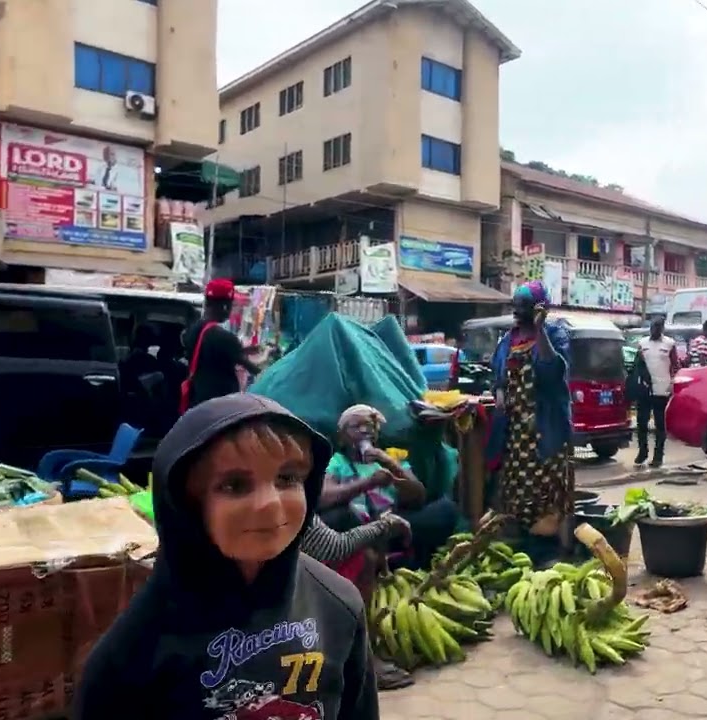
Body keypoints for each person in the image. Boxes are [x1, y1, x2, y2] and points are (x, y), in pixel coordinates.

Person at [74, 393, 379, 719]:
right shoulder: (135, 650)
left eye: (287, 478)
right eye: (234, 485)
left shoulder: (338, 606)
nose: (271, 504)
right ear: (187, 506)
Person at [486, 281, 573, 558]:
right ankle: (525, 549)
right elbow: (498, 377)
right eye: (515, 304)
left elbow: (553, 371)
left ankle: (549, 552)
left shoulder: (555, 334)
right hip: (515, 434)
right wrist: (500, 393)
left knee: (546, 494)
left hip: (545, 431)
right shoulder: (507, 340)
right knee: (516, 491)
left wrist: (540, 329)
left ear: (539, 308)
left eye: (523, 305)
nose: (517, 310)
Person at [319, 405, 459, 570]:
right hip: (359, 529)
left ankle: (398, 558)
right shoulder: (337, 462)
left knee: (445, 510)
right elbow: (324, 497)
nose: (364, 430)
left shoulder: (391, 457)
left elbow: (418, 496)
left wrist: (389, 463)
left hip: (394, 525)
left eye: (369, 425)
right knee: (338, 516)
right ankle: (378, 558)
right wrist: (368, 483)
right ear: (342, 437)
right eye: (356, 426)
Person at [182, 279, 261, 411]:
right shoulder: (224, 337)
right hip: (221, 407)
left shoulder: (193, 330)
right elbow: (253, 369)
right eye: (231, 305)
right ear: (225, 306)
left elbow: (213, 353)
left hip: (198, 402)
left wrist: (245, 350)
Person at [635, 317, 679, 467]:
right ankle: (642, 452)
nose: (654, 330)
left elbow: (675, 366)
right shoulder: (642, 343)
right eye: (653, 327)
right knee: (642, 423)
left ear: (662, 329)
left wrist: (672, 383)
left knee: (660, 424)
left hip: (662, 390)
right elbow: (638, 365)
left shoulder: (669, 344)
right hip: (645, 389)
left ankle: (658, 456)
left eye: (658, 327)